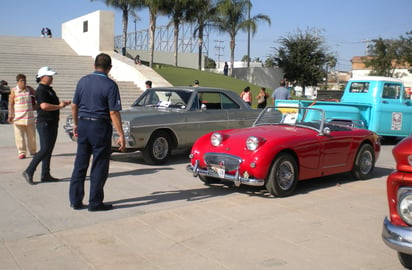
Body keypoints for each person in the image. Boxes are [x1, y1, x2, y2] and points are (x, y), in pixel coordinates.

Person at [69, 53, 125, 212]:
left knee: (80, 163)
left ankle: (75, 200)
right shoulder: (110, 85)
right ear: (109, 68)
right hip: (100, 127)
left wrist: (75, 123)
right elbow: (113, 112)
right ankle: (95, 202)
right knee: (99, 164)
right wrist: (120, 134)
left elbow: (74, 105)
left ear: (94, 65)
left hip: (84, 124)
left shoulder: (83, 81)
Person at [22, 67, 71, 185]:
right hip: (45, 122)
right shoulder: (41, 90)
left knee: (48, 149)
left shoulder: (49, 90)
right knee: (45, 149)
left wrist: (62, 104)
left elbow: (51, 104)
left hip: (52, 122)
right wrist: (59, 106)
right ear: (43, 77)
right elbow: (44, 106)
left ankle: (45, 174)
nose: (52, 78)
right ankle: (29, 170)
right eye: (49, 76)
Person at [8, 74, 37, 159]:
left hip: (29, 118)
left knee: (32, 136)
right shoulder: (14, 90)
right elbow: (11, 103)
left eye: (25, 80)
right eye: (21, 81)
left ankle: (33, 151)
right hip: (18, 118)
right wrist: (10, 114)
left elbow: (37, 96)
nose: (23, 82)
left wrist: (36, 105)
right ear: (18, 82)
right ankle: (22, 152)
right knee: (19, 137)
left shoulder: (29, 89)